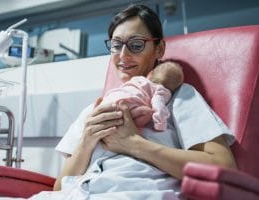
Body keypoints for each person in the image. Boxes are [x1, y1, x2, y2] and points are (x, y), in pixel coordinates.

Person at [48, 4, 237, 200]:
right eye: (116, 44)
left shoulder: (178, 97)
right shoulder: (95, 110)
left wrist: (133, 144)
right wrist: (86, 142)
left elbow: (222, 167)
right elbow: (59, 187)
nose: (123, 55)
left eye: (136, 45)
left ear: (159, 49)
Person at [101, 61, 184, 132]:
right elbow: (158, 106)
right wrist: (160, 124)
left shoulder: (138, 79)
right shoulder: (161, 90)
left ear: (150, 74)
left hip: (110, 98)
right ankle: (133, 128)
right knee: (148, 112)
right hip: (128, 105)